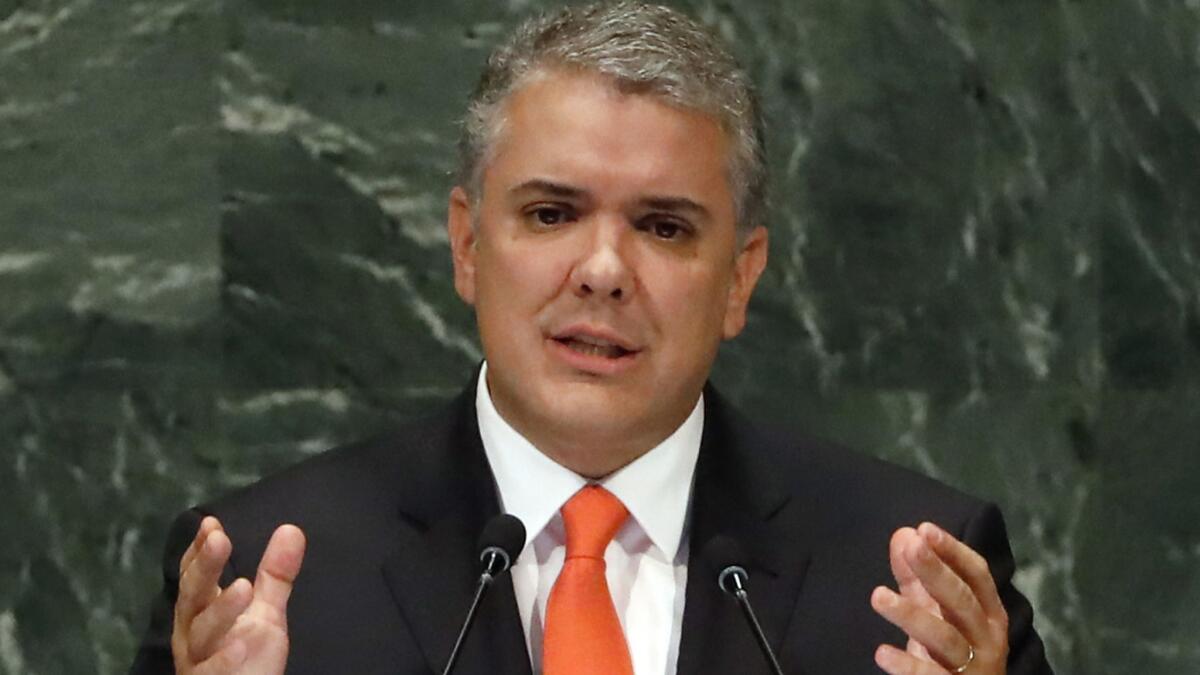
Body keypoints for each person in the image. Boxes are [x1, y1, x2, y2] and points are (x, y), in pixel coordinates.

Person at [131, 2, 1053, 674]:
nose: (604, 269)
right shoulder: (266, 581)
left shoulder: (915, 589)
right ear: (466, 245)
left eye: (664, 226)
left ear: (741, 276)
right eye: (551, 212)